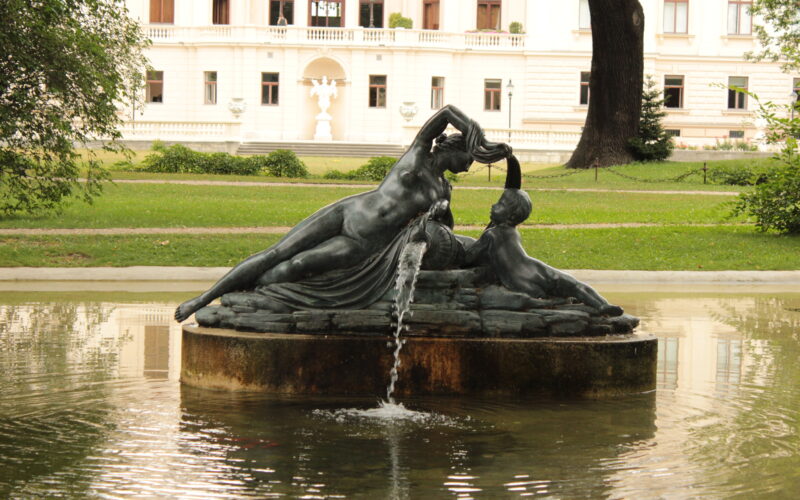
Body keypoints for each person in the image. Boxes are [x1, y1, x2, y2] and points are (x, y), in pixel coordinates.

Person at [175, 105, 510, 321]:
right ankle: (202, 299)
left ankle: (252, 293)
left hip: (365, 246)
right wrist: (478, 136)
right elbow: (447, 112)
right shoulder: (417, 158)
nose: (470, 165)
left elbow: (441, 233)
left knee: (294, 266)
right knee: (278, 251)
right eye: (469, 157)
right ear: (452, 149)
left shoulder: (444, 189)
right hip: (349, 211)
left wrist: (441, 212)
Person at [464, 155, 624, 316]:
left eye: (500, 204)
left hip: (518, 278)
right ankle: (601, 305)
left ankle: (578, 303)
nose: (493, 205)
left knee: (555, 292)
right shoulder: (512, 231)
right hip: (534, 267)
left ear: (511, 215)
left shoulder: (491, 234)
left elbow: (469, 257)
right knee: (572, 283)